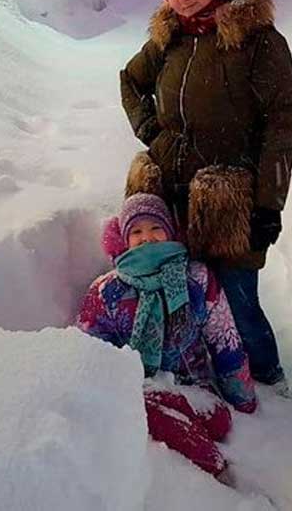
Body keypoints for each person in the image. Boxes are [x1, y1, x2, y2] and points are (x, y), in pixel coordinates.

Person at [119, 0, 292, 392]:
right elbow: (131, 81)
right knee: (189, 293)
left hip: (231, 203)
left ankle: (270, 381)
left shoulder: (258, 40)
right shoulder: (169, 38)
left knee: (238, 300)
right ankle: (203, 371)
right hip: (173, 195)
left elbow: (280, 128)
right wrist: (152, 132)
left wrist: (268, 206)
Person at [76, 193, 257, 479]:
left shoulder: (197, 278)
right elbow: (90, 355)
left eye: (155, 227)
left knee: (218, 423)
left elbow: (224, 339)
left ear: (170, 231)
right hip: (141, 388)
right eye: (136, 231)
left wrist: (244, 399)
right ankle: (214, 469)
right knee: (149, 411)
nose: (147, 238)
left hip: (194, 387)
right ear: (124, 238)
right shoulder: (106, 291)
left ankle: (189, 435)